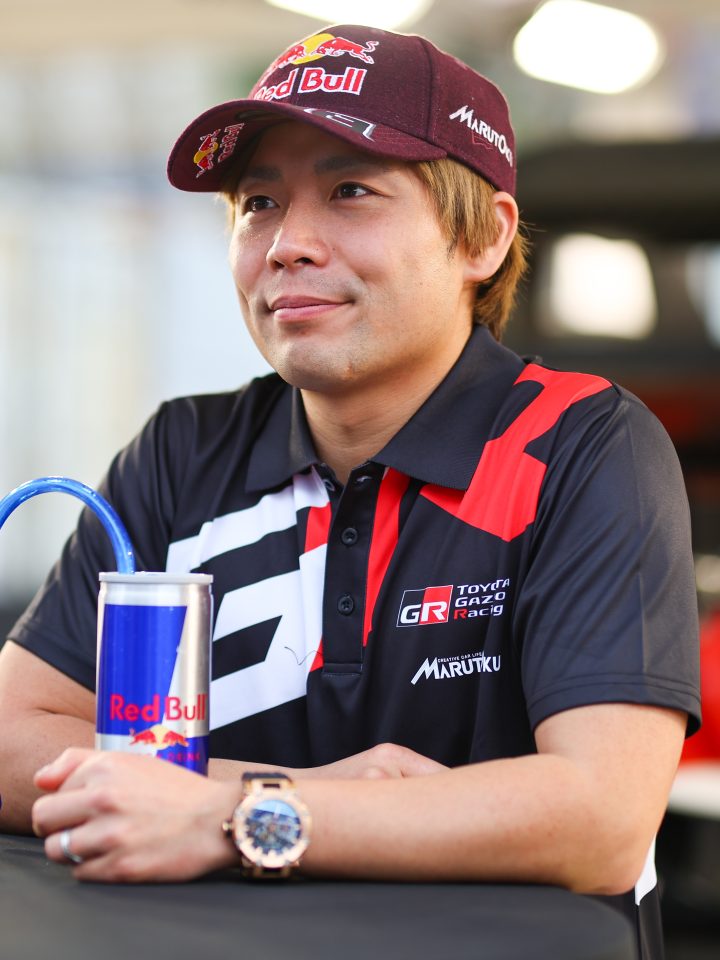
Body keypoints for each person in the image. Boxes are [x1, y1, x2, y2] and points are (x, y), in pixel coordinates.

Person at [0, 23, 699, 960]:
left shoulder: (583, 444)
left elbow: (601, 818)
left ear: (484, 237)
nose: (287, 244)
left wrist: (230, 817)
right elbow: (8, 736)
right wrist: (289, 793)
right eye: (258, 203)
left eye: (351, 191)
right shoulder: (181, 453)